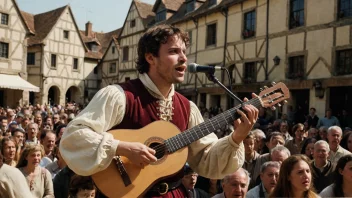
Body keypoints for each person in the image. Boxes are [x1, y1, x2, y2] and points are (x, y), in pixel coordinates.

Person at [60, 24, 259, 197]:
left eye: (184, 51)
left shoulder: (187, 107)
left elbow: (205, 160)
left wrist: (237, 137)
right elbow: (74, 137)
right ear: (150, 57)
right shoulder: (119, 96)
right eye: (173, 51)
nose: (183, 58)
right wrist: (122, 148)